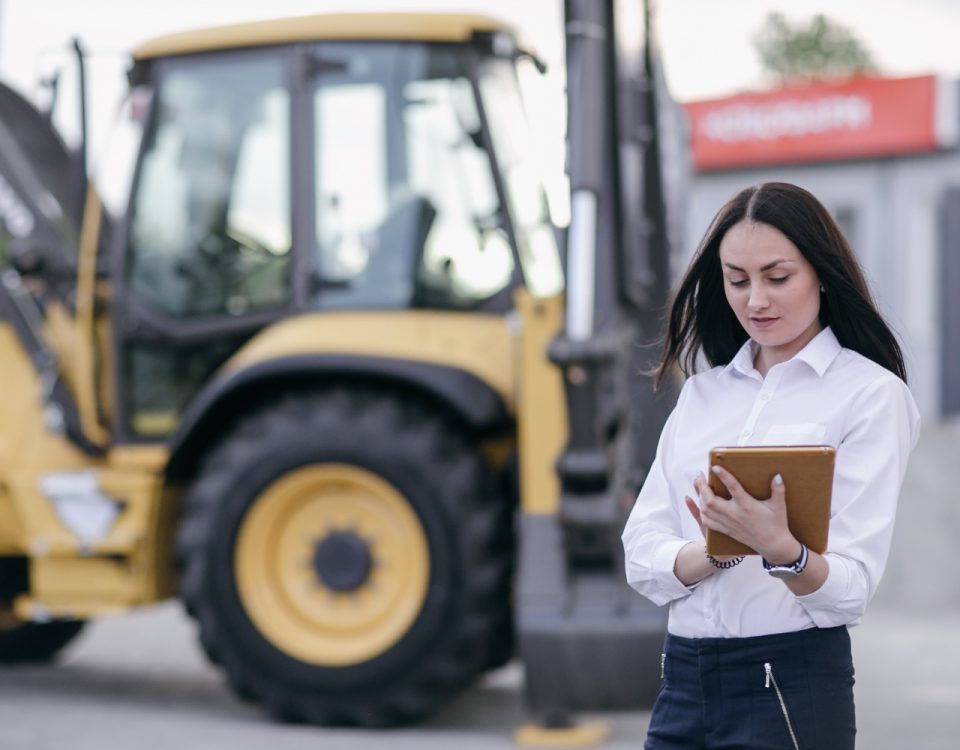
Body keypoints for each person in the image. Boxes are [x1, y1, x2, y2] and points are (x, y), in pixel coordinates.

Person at [622, 182, 920, 750]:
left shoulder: (869, 396)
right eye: (737, 280)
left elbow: (851, 590)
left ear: (822, 273)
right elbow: (641, 551)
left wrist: (782, 550)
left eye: (777, 278)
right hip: (682, 679)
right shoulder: (702, 396)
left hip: (788, 680)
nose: (755, 300)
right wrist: (714, 550)